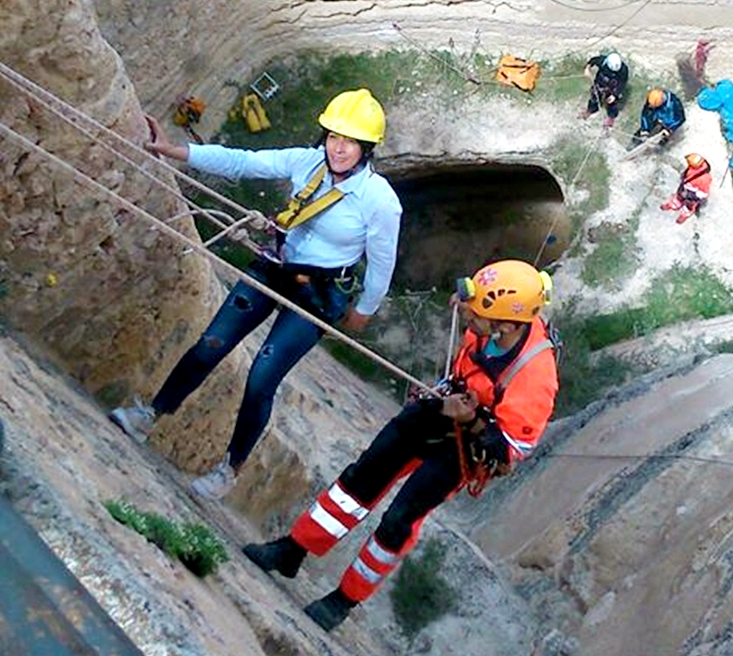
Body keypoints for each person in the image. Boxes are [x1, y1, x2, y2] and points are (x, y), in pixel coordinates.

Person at [109, 88, 403, 499]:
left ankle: (230, 468)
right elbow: (244, 162)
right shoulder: (306, 162)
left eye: (350, 141)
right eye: (334, 137)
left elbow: (382, 261)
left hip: (317, 292)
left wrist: (364, 310)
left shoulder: (379, 201)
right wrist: (177, 151)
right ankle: (150, 414)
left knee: (262, 376)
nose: (339, 148)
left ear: (367, 148)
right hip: (275, 265)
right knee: (212, 343)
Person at [242, 259, 560, 631]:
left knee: (399, 519)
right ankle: (293, 549)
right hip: (445, 407)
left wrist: (471, 420)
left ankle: (343, 600)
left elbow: (507, 452)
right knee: (360, 479)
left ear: (507, 324)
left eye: (475, 313)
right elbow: (466, 364)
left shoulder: (535, 378)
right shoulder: (489, 328)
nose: (465, 315)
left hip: (466, 447)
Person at [579, 52, 628, 128]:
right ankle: (590, 110)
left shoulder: (623, 70)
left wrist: (615, 95)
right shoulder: (602, 61)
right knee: (594, 97)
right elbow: (592, 61)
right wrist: (587, 69)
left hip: (612, 86)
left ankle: (611, 118)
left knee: (612, 103)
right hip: (600, 82)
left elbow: (622, 84)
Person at [660, 153, 712, 224]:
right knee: (678, 197)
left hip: (693, 193)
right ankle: (674, 205)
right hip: (685, 186)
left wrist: (692, 195)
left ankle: (685, 214)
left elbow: (704, 193)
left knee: (689, 206)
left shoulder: (704, 179)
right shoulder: (693, 168)